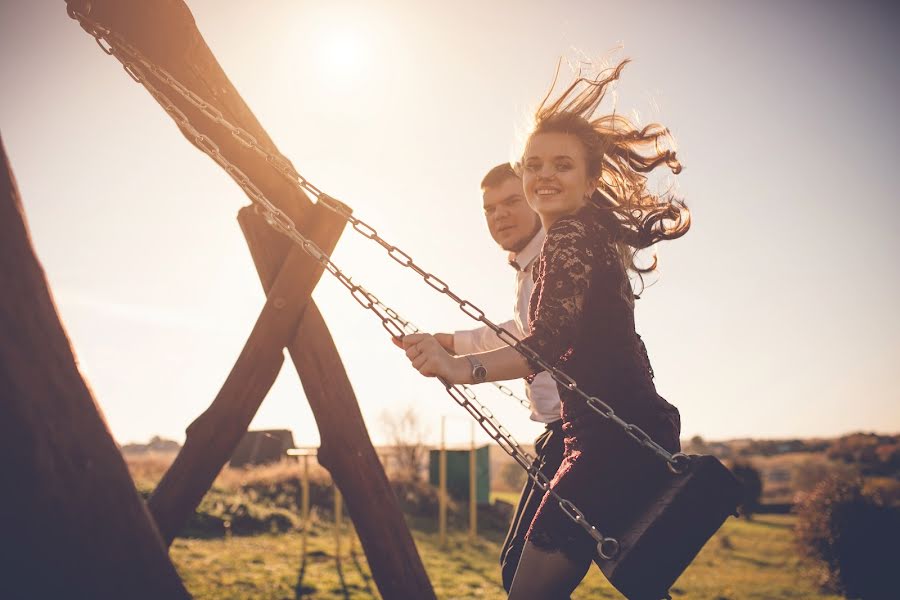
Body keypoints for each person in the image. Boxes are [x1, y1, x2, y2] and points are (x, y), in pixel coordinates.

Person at [399, 59, 690, 598]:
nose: (543, 177)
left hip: (608, 442)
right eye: (533, 165)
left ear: (590, 176)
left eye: (561, 164)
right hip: (613, 432)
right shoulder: (585, 236)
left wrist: (458, 368)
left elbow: (546, 343)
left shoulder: (570, 238)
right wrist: (454, 345)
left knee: (528, 590)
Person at [432, 163, 566, 593]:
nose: (499, 215)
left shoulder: (555, 260)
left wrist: (461, 364)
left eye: (512, 201)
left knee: (522, 575)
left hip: (582, 437)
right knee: (520, 571)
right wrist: (453, 340)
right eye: (489, 209)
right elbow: (518, 329)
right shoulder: (529, 268)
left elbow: (538, 347)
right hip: (558, 434)